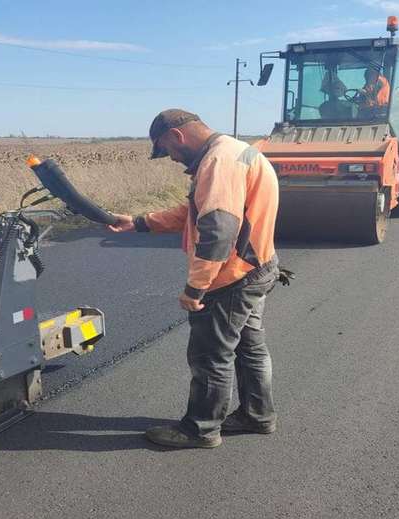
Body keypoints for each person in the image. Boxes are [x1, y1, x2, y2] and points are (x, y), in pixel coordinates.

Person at [107, 109, 280, 449]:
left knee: (210, 355)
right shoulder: (233, 151)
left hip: (231, 277)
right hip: (258, 266)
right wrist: (141, 222)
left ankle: (200, 429)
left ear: (177, 137)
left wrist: (196, 288)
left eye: (166, 150)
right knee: (249, 348)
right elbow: (195, 213)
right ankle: (257, 415)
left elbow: (218, 230)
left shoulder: (219, 163)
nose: (170, 158)